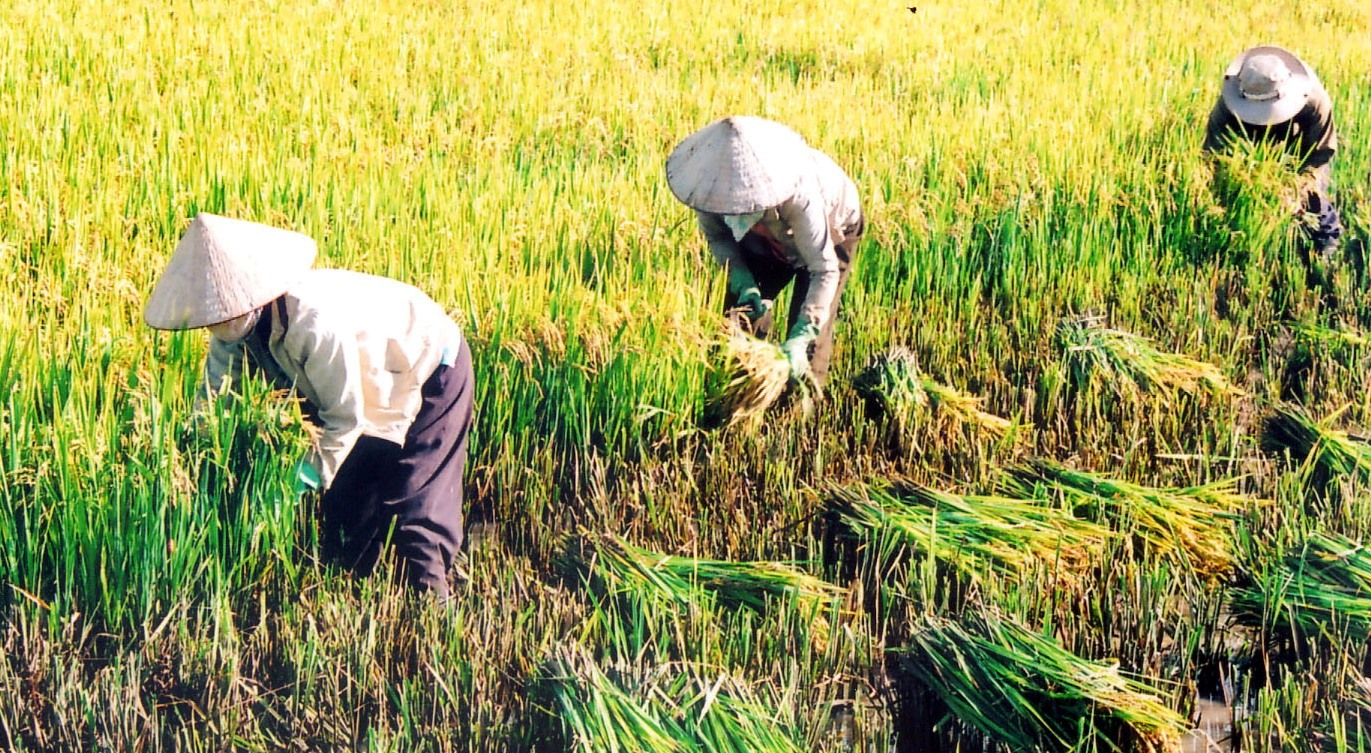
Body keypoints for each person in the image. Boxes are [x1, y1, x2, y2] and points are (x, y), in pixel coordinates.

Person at [144, 212, 473, 599]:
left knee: (415, 504)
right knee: (346, 511)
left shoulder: (312, 322)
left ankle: (433, 606)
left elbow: (346, 419)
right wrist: (198, 483)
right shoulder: (230, 335)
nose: (219, 323)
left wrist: (295, 483)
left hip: (427, 361)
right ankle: (356, 598)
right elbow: (213, 410)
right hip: (358, 384)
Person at [666, 115, 864, 387]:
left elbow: (823, 268)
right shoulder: (709, 190)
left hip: (830, 232)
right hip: (765, 238)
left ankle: (797, 405)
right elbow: (719, 238)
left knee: (808, 345)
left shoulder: (799, 195)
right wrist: (744, 282)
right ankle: (742, 394)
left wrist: (804, 330)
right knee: (739, 318)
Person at [1203, 45, 1342, 257]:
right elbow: (1215, 154)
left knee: (1314, 200)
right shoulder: (1227, 107)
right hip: (1249, 134)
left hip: (1299, 135)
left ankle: (1325, 243)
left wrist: (1296, 190)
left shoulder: (1314, 101)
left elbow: (1319, 154)